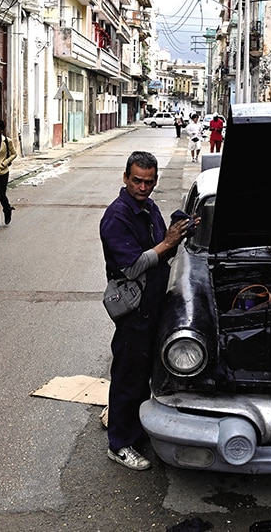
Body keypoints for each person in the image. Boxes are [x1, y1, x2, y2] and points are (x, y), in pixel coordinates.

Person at [99, 150, 192, 471]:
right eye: (136, 181)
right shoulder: (117, 217)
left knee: (145, 375)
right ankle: (119, 444)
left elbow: (161, 246)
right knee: (127, 375)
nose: (142, 187)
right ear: (125, 178)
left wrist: (178, 231)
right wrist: (167, 243)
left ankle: (134, 430)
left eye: (149, 182)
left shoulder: (148, 207)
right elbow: (132, 265)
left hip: (153, 303)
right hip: (133, 307)